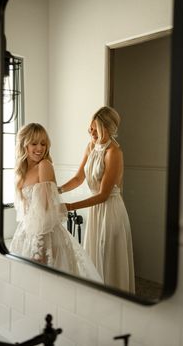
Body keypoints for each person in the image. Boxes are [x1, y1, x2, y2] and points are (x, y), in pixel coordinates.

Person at [9, 123, 102, 283]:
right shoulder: (21, 172)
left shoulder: (44, 166)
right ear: (24, 144)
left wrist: (39, 248)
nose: (39, 148)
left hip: (45, 236)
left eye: (43, 144)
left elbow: (46, 211)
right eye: (34, 143)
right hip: (27, 233)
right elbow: (25, 212)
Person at [58, 106, 135, 292]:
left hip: (110, 211)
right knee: (94, 258)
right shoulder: (91, 146)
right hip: (96, 210)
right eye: (90, 128)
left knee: (108, 257)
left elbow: (103, 195)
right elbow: (78, 178)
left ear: (107, 128)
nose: (90, 132)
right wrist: (57, 189)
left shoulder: (114, 153)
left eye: (95, 128)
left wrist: (69, 206)